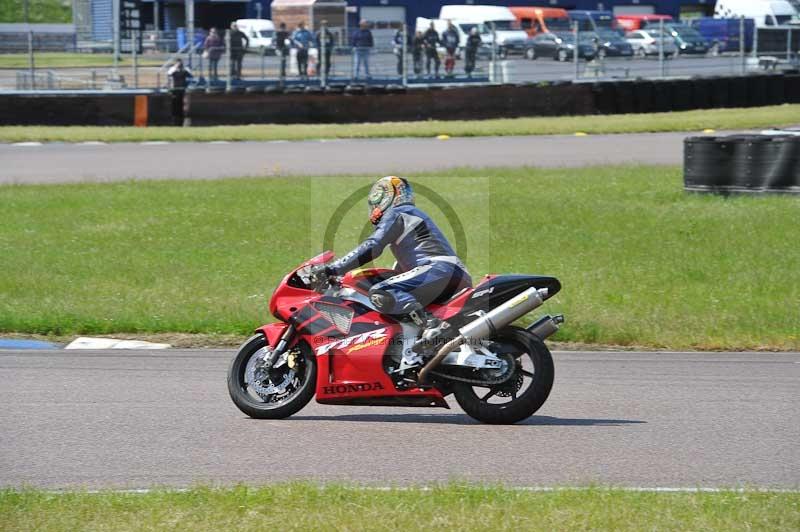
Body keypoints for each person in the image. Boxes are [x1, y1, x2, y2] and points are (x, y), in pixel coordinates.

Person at [312, 177, 471, 370]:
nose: (375, 205)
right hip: (447, 272)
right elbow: (398, 269)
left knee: (382, 291)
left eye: (377, 198)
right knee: (397, 304)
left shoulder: (398, 212)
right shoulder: (410, 225)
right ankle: (415, 356)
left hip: (439, 269)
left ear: (389, 196)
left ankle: (432, 325)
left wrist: (333, 268)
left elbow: (372, 246)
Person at [167, 59, 192, 125]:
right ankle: (174, 119)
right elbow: (169, 75)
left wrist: (184, 69)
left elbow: (190, 76)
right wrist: (175, 68)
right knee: (175, 104)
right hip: (175, 89)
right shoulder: (172, 70)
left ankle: (182, 119)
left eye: (180, 64)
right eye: (178, 64)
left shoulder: (185, 70)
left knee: (183, 104)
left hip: (183, 89)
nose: (179, 65)